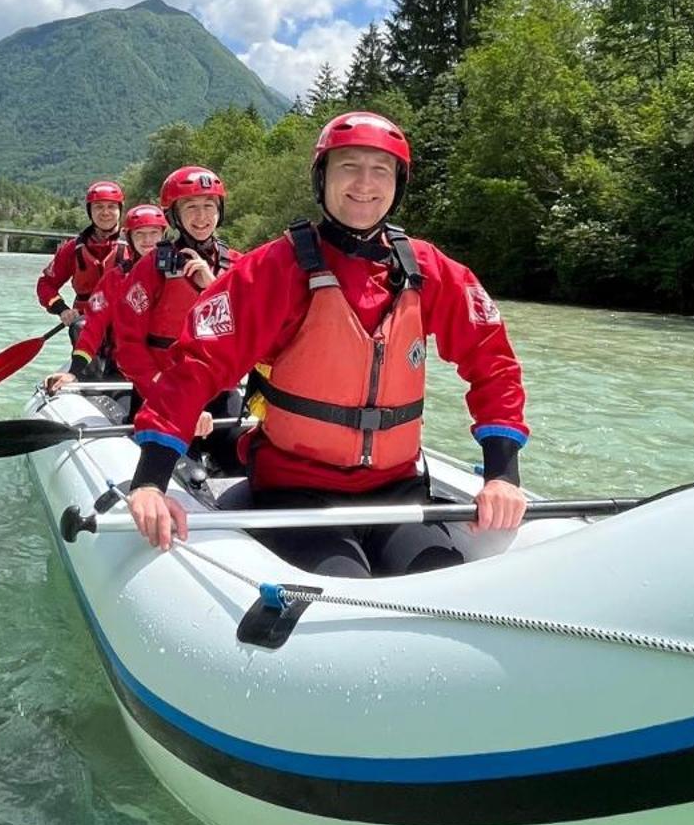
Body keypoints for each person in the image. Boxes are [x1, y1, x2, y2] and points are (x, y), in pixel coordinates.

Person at [124, 112, 529, 575]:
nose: (364, 183)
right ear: (322, 179)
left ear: (398, 183)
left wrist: (502, 475)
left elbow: (493, 362)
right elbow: (196, 364)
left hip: (398, 490)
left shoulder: (429, 269)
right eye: (348, 167)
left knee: (440, 583)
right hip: (296, 491)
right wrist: (150, 480)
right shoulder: (273, 270)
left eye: (380, 170)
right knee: (347, 583)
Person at [113, 165, 244, 464]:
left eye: (209, 206)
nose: (202, 217)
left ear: (219, 211)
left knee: (246, 459)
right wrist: (169, 395)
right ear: (175, 215)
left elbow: (255, 332)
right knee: (187, 468)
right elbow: (127, 345)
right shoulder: (150, 269)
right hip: (162, 391)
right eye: (191, 207)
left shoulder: (237, 265)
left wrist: (213, 288)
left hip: (220, 395)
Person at [45, 203, 166, 393]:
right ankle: (89, 377)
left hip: (172, 366)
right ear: (130, 238)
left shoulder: (184, 271)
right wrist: (74, 371)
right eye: (140, 234)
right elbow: (93, 326)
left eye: (154, 233)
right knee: (81, 327)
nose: (147, 240)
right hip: (128, 366)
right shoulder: (115, 278)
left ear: (163, 235)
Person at [36, 181, 125, 342]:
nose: (105, 212)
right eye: (98, 207)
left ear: (120, 210)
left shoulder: (135, 244)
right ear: (90, 211)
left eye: (111, 207)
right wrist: (62, 309)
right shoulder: (72, 249)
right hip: (86, 323)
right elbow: (46, 285)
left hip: (127, 321)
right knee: (80, 328)